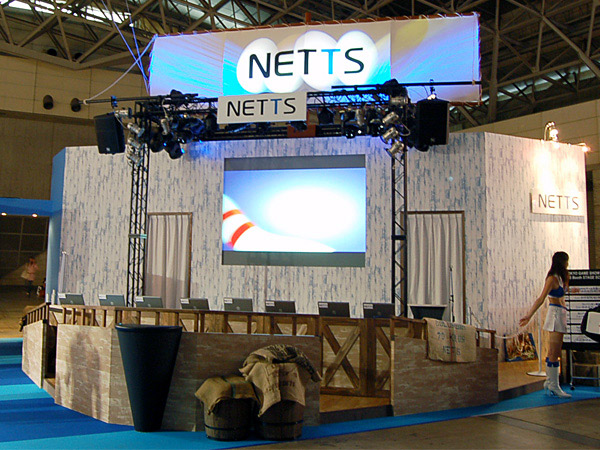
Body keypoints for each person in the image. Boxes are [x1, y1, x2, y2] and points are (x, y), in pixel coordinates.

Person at [520, 251, 572, 398]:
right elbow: (541, 298)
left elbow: (563, 293)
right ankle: (554, 385)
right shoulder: (552, 278)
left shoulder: (561, 278)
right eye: (566, 262)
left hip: (561, 313)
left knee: (554, 351)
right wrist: (529, 315)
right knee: (554, 352)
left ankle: (550, 382)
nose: (567, 264)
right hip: (555, 315)